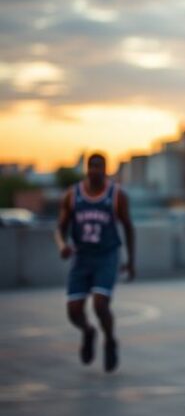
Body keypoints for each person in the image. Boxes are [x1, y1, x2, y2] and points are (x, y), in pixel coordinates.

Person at [55, 153, 135, 373]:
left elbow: (128, 227)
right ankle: (88, 332)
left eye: (100, 167)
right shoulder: (72, 195)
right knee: (73, 311)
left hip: (106, 255)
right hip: (81, 257)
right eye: (92, 167)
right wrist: (62, 245)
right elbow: (59, 229)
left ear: (106, 170)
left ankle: (110, 340)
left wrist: (130, 262)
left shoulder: (116, 195)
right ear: (87, 169)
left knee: (101, 304)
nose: (96, 171)